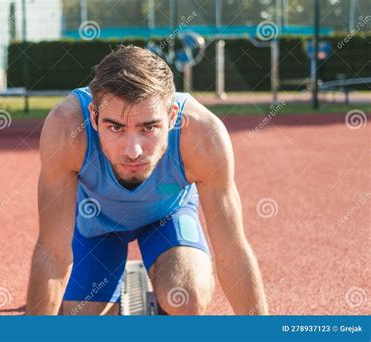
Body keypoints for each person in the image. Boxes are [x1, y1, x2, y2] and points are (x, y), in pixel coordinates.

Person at [26, 45, 268, 315]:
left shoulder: (202, 135)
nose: (133, 151)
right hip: (96, 224)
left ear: (173, 116)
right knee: (79, 314)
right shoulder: (66, 127)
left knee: (186, 297)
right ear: (93, 117)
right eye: (116, 127)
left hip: (167, 217)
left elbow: (231, 253)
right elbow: (52, 253)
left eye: (149, 127)